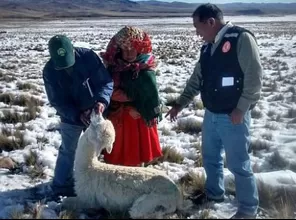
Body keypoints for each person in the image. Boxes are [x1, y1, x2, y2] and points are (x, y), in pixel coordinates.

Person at [165, 4, 262, 219]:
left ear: (211, 22)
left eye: (198, 27)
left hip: (233, 116)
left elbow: (254, 77)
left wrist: (241, 108)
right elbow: (196, 79)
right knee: (210, 159)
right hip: (211, 114)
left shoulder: (241, 39)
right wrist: (180, 103)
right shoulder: (207, 48)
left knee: (239, 165)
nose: (197, 33)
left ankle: (248, 209)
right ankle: (214, 194)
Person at [42, 34, 114, 198]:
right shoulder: (49, 71)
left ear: (73, 50)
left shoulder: (88, 57)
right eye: (61, 65)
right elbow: (57, 101)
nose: (66, 68)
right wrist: (76, 114)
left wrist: (101, 102)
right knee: (68, 149)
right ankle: (61, 187)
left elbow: (106, 82)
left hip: (96, 112)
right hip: (71, 116)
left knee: (96, 148)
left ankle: (91, 181)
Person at [100, 26, 163, 167]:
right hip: (117, 116)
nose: (129, 53)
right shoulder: (112, 67)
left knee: (134, 155)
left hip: (138, 117)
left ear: (140, 48)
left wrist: (137, 106)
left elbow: (150, 95)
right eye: (125, 49)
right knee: (115, 157)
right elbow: (106, 88)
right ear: (119, 49)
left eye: (133, 49)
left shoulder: (145, 68)